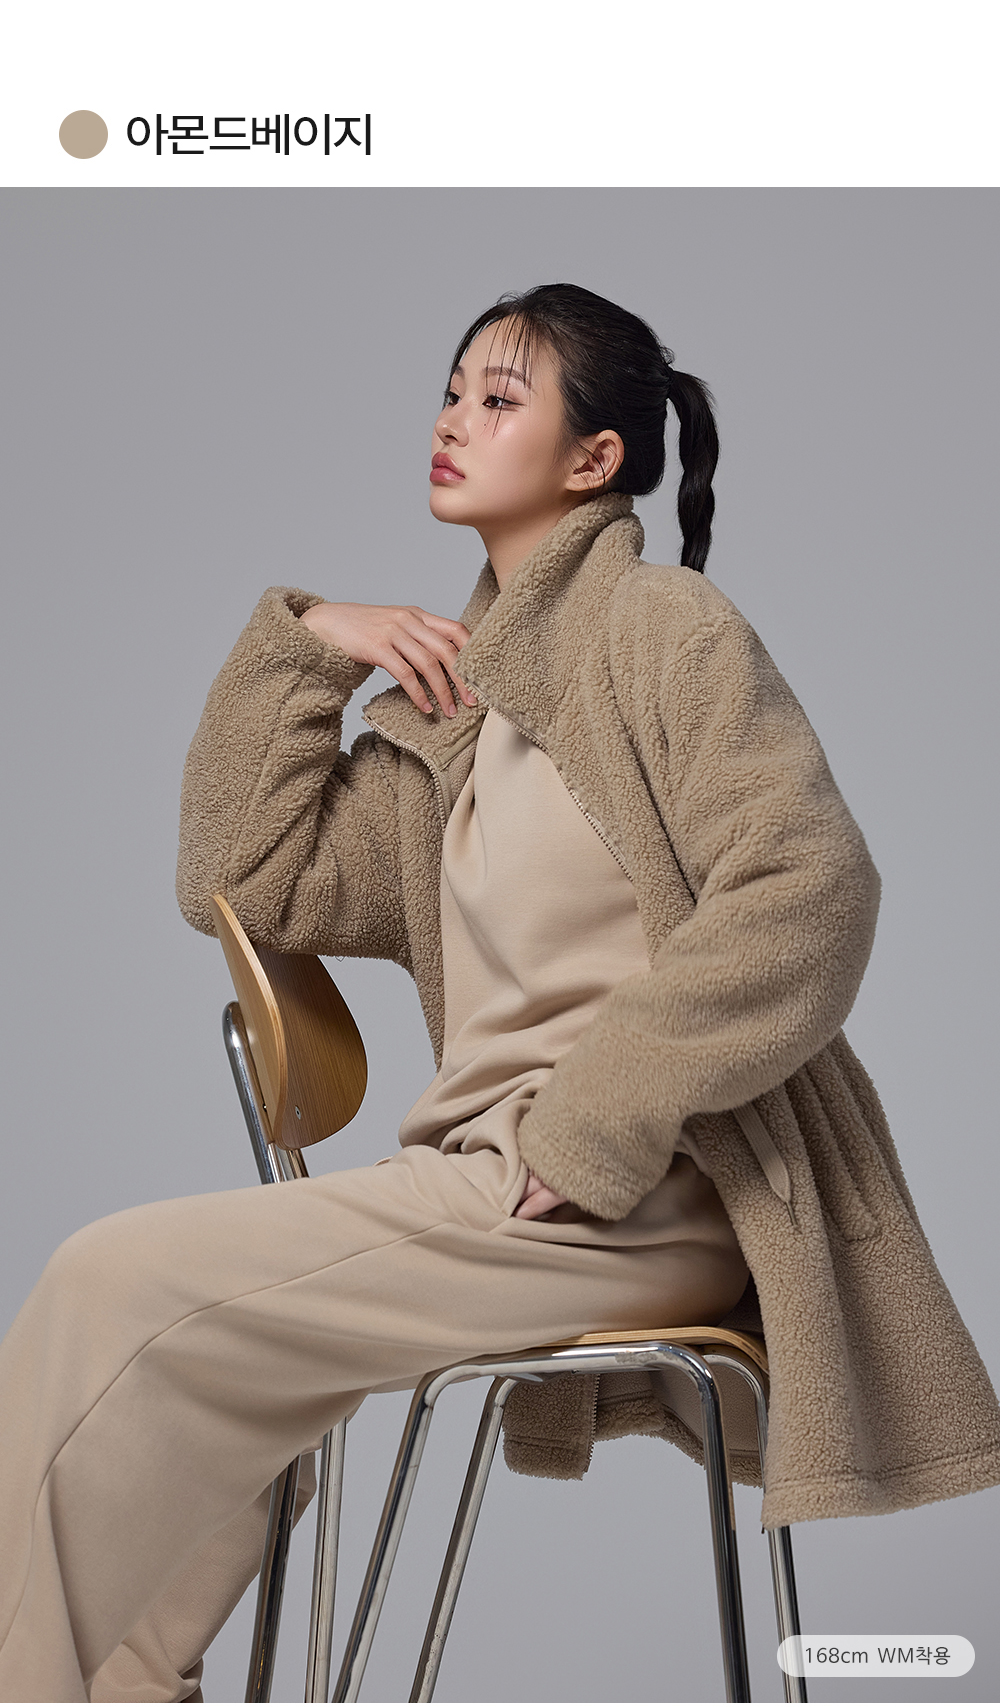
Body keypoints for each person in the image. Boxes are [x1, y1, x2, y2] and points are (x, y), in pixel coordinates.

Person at [0, 284, 997, 1703]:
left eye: (500, 397)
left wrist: (592, 1126)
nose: (454, 419)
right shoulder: (453, 712)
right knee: (210, 1354)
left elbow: (809, 894)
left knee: (108, 1281)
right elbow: (241, 879)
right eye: (452, 390)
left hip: (635, 1188)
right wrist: (307, 642)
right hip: (492, 1185)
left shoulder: (663, 631)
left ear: (596, 459)